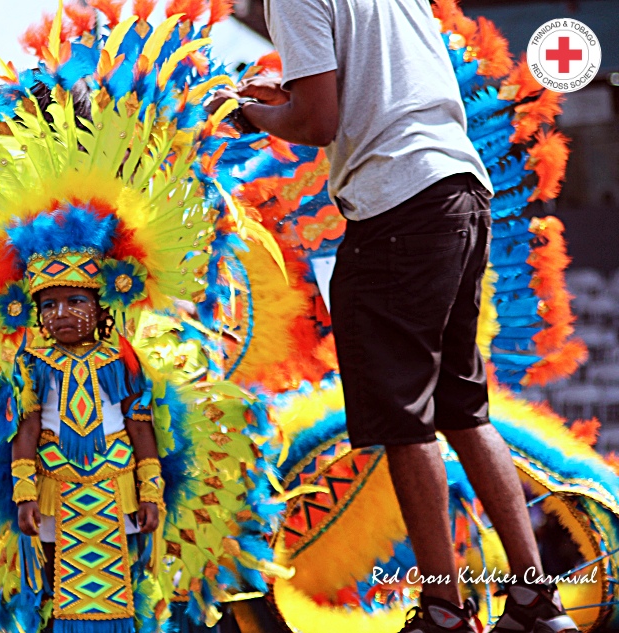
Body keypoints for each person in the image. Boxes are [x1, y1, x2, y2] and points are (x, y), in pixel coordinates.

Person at [214, 1, 579, 631]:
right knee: (463, 408)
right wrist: (282, 98)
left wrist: (240, 113)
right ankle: (533, 602)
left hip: (396, 209)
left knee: (407, 420)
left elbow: (319, 120)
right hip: (458, 192)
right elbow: (364, 89)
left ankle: (443, 609)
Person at [10, 275, 162, 632]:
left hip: (116, 490)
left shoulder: (121, 358)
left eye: (75, 301)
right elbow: (27, 427)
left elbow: (140, 425)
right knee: (55, 590)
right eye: (49, 305)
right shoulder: (30, 361)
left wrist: (151, 492)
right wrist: (24, 494)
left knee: (123, 587)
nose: (61, 313)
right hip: (54, 495)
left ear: (100, 307)